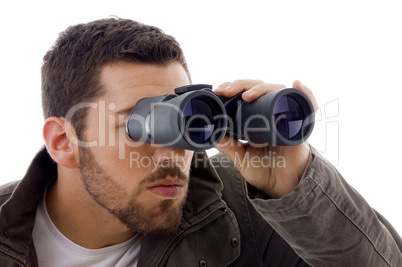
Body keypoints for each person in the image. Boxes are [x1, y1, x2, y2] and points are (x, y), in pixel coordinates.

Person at [0, 18, 400, 267]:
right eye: (142, 125)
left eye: (185, 121)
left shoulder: (240, 204)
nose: (174, 153)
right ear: (63, 141)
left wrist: (295, 185)